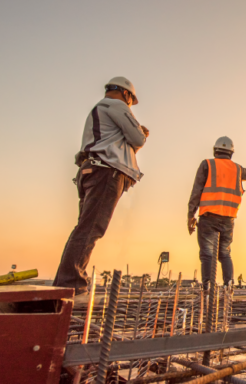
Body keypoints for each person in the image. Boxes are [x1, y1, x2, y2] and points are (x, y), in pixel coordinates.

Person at [53, 77, 148, 305]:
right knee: (90, 229)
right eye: (131, 101)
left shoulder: (98, 110)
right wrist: (141, 133)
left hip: (92, 171)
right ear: (126, 95)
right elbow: (137, 138)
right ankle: (71, 287)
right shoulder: (116, 106)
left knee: (84, 228)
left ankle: (66, 284)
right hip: (106, 173)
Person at [187, 136, 246, 291]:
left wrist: (190, 215)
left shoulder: (207, 165)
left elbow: (196, 191)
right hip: (228, 219)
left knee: (207, 254)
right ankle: (228, 285)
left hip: (208, 216)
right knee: (224, 253)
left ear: (215, 150)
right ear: (231, 152)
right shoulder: (237, 169)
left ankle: (208, 287)